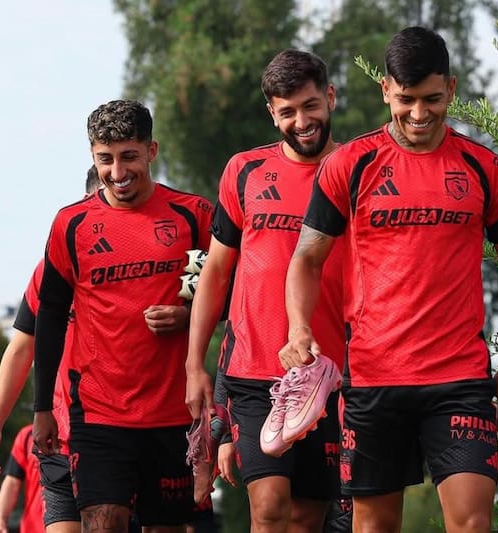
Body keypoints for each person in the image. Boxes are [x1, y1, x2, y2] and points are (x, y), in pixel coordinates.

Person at [279, 27, 498, 533]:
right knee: (374, 527)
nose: (419, 115)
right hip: (375, 379)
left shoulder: (485, 169)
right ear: (385, 91)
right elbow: (306, 260)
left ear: (452, 89)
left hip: (459, 381)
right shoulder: (349, 166)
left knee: (472, 523)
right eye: (406, 100)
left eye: (432, 100)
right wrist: (298, 328)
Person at [185, 49, 348, 532]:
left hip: (333, 371)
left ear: (331, 98)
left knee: (305, 516)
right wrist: (196, 363)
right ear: (271, 114)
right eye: (288, 111)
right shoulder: (245, 171)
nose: (302, 121)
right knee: (270, 507)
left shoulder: (356, 170)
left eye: (311, 105)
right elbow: (215, 271)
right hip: (257, 371)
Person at [32, 99, 214, 533]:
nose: (118, 172)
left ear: (151, 151)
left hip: (173, 410)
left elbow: (215, 290)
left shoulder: (192, 217)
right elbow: (51, 316)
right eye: (105, 159)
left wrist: (187, 315)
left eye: (129, 156)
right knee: (103, 523)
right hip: (98, 413)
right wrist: (42, 408)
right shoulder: (70, 224)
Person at [0, 166, 101, 533]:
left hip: (124, 429)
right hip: (61, 431)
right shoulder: (50, 268)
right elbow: (20, 349)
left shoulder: (146, 260)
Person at [0, 425, 44, 533]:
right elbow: (12, 482)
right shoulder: (28, 435)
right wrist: (0, 523)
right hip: (32, 528)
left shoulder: (82, 432)